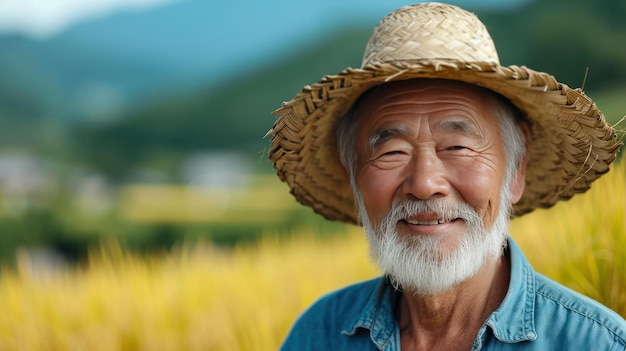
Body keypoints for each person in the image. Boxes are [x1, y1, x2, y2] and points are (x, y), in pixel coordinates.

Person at [267, 2, 625, 350]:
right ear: (354, 178)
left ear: (516, 169)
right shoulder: (319, 334)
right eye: (392, 152)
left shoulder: (595, 343)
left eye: (457, 147)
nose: (424, 184)